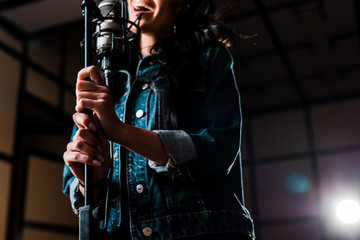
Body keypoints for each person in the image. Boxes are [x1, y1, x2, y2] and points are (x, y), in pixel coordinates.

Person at [63, 0, 255, 239]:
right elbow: (76, 186)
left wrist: (120, 131)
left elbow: (218, 148)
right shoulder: (107, 82)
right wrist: (93, 179)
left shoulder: (209, 58)